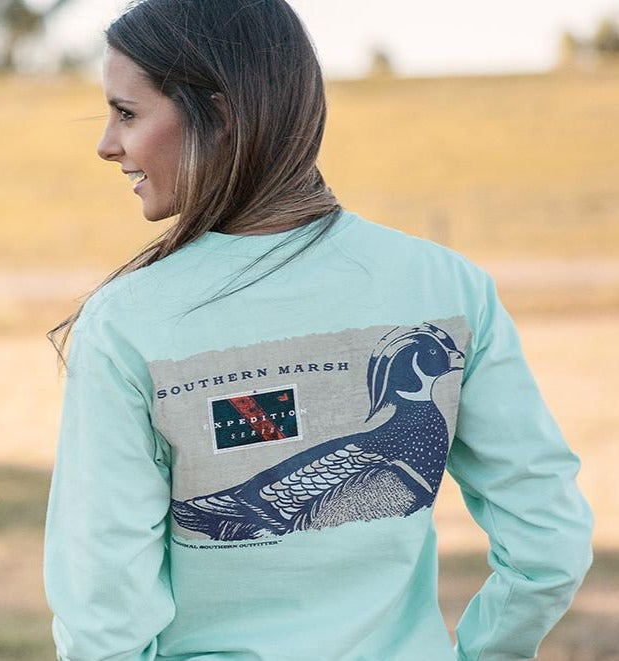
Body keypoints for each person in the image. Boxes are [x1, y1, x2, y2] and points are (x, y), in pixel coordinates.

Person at [43, 1, 593, 659]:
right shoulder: (448, 287)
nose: (107, 144)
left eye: (127, 113)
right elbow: (548, 544)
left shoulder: (126, 323)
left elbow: (102, 611)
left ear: (220, 115)